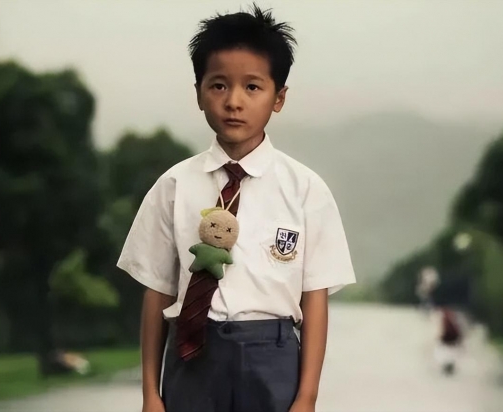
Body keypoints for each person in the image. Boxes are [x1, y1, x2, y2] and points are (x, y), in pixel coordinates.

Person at [117, 4, 356, 412]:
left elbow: (315, 299)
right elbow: (157, 292)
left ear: (279, 98)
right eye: (218, 85)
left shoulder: (306, 190)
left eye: (252, 87)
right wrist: (150, 394)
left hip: (273, 359)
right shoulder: (173, 186)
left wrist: (307, 397)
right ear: (198, 93)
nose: (234, 102)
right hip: (193, 357)